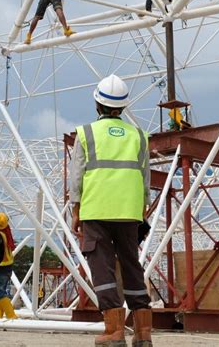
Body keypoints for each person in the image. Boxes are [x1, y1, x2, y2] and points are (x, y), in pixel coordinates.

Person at [70, 74, 153, 347]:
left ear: (97, 103)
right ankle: (143, 333)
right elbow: (145, 175)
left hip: (96, 209)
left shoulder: (86, 133)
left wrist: (75, 210)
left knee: (102, 267)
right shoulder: (138, 135)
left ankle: (114, 331)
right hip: (129, 212)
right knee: (131, 265)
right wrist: (142, 208)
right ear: (123, 107)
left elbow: (76, 176)